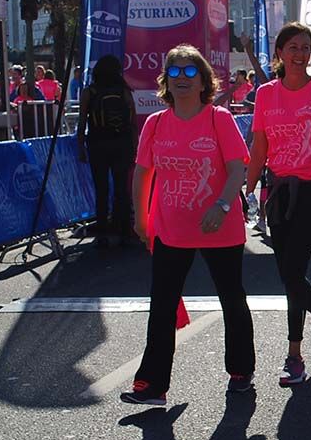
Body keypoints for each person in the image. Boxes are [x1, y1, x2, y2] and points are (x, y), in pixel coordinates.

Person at [121, 44, 254, 405]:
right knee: (162, 306)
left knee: (232, 300)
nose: (182, 78)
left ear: (203, 81)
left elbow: (238, 169)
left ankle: (241, 370)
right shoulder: (156, 123)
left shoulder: (218, 119)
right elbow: (143, 174)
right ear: (166, 80)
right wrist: (140, 217)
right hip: (171, 229)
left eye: (190, 72)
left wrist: (222, 205)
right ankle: (152, 385)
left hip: (219, 227)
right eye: (175, 72)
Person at [245, 22, 311, 387]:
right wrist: (248, 187)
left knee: (290, 273)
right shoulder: (266, 94)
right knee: (288, 272)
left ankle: (294, 355)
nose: (301, 54)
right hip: (278, 192)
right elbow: (260, 147)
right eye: (294, 48)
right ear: (280, 53)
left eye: (306, 47)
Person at [77, 55, 137, 247]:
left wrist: (81, 147)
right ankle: (124, 229)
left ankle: (102, 229)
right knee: (121, 188)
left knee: (101, 188)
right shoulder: (124, 91)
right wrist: (135, 146)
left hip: (97, 143)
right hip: (122, 143)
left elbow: (82, 122)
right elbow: (133, 121)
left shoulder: (90, 92)